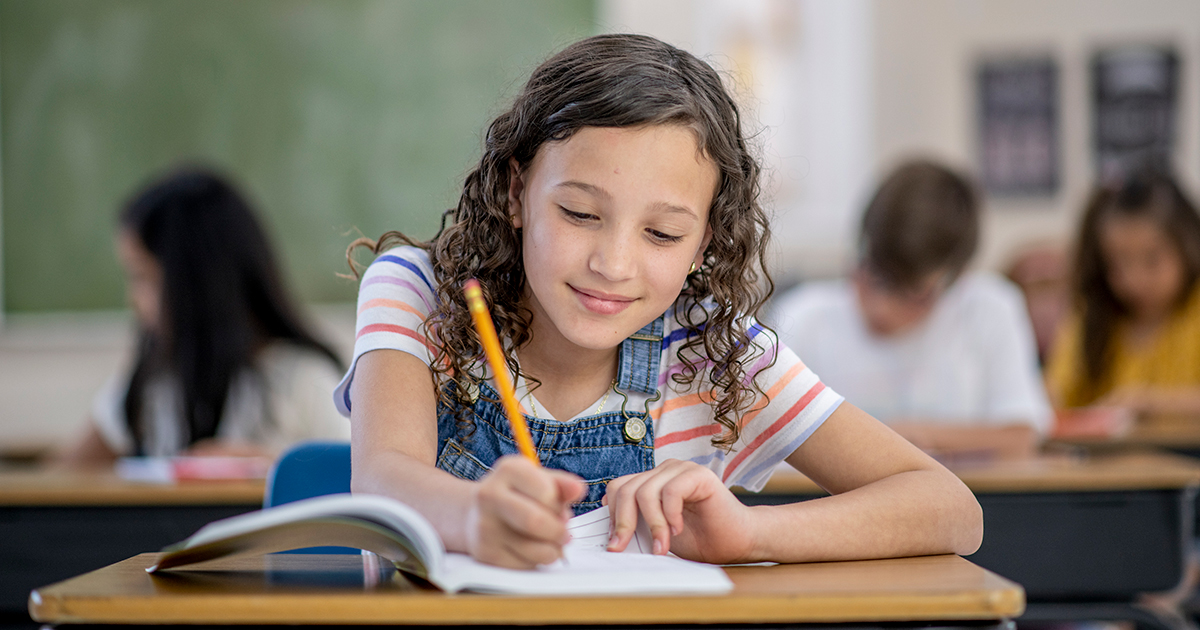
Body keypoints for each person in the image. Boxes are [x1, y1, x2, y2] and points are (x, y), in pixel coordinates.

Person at [341, 35, 982, 570]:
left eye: (662, 233)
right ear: (516, 192)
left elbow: (951, 509)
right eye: (580, 212)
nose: (612, 264)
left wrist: (751, 534)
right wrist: (472, 515)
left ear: (705, 241)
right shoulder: (421, 292)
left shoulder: (716, 353)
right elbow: (382, 477)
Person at [58, 168, 349, 464]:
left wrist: (273, 468)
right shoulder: (153, 380)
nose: (132, 299)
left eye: (143, 277)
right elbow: (62, 476)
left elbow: (353, 489)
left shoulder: (306, 382)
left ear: (198, 282)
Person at [769, 161, 1052, 461]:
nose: (882, 309)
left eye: (912, 294)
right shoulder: (802, 318)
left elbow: (1023, 435)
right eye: (874, 277)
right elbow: (767, 439)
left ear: (955, 279)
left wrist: (907, 437)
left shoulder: (989, 309)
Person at [1046, 170, 1200, 416]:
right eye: (1119, 263)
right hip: (1107, 454)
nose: (1134, 280)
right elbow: (1056, 395)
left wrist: (1151, 403)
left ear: (1188, 245)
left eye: (1152, 260)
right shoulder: (1094, 316)